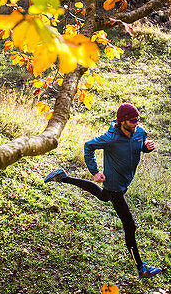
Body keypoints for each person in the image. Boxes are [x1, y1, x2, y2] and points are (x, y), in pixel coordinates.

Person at [44, 102, 162, 278]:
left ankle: (63, 177)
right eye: (132, 121)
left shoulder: (140, 132)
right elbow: (88, 146)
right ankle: (140, 267)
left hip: (124, 182)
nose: (136, 123)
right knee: (130, 225)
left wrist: (146, 147)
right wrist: (95, 172)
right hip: (115, 185)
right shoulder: (111, 138)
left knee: (102, 196)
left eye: (137, 120)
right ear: (122, 122)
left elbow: (140, 146)